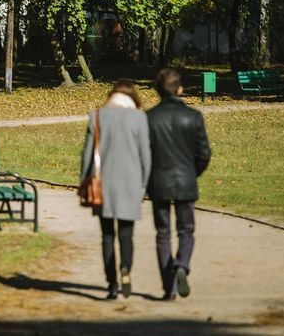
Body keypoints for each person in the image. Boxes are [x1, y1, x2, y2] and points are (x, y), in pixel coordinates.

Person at [80, 79, 151, 300]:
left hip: (103, 185)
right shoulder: (139, 118)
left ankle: (111, 284)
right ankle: (126, 269)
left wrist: (83, 182)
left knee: (107, 236)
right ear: (133, 98)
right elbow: (146, 156)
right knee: (126, 235)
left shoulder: (98, 116)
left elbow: (87, 154)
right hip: (130, 184)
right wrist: (144, 186)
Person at [146, 68, 211, 300]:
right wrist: (193, 173)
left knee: (162, 233)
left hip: (159, 182)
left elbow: (143, 155)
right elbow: (204, 153)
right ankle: (182, 264)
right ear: (180, 89)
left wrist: (147, 179)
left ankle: (168, 287)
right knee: (186, 231)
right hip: (185, 180)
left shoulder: (149, 118)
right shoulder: (193, 116)